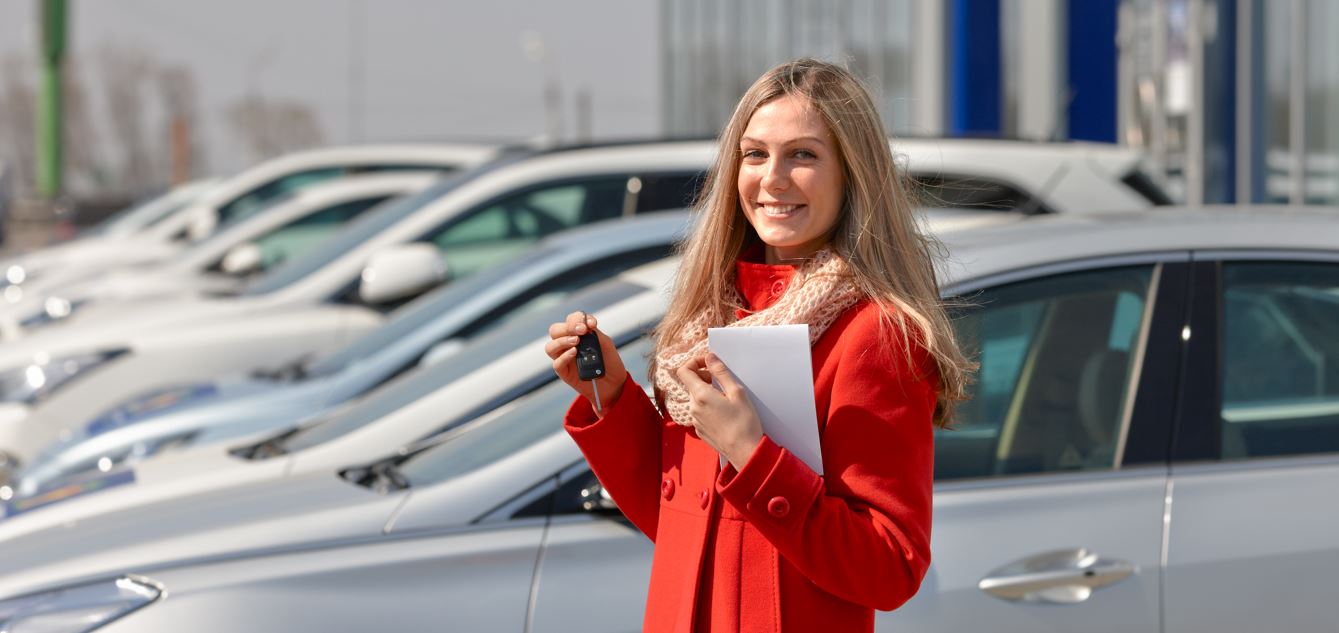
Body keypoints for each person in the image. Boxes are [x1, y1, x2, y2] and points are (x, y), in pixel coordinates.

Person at [545, 58, 973, 632]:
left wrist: (752, 455)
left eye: (803, 155)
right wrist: (614, 396)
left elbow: (891, 567)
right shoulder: (710, 315)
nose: (772, 178)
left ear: (853, 173)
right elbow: (680, 523)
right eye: (755, 154)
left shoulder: (874, 332)